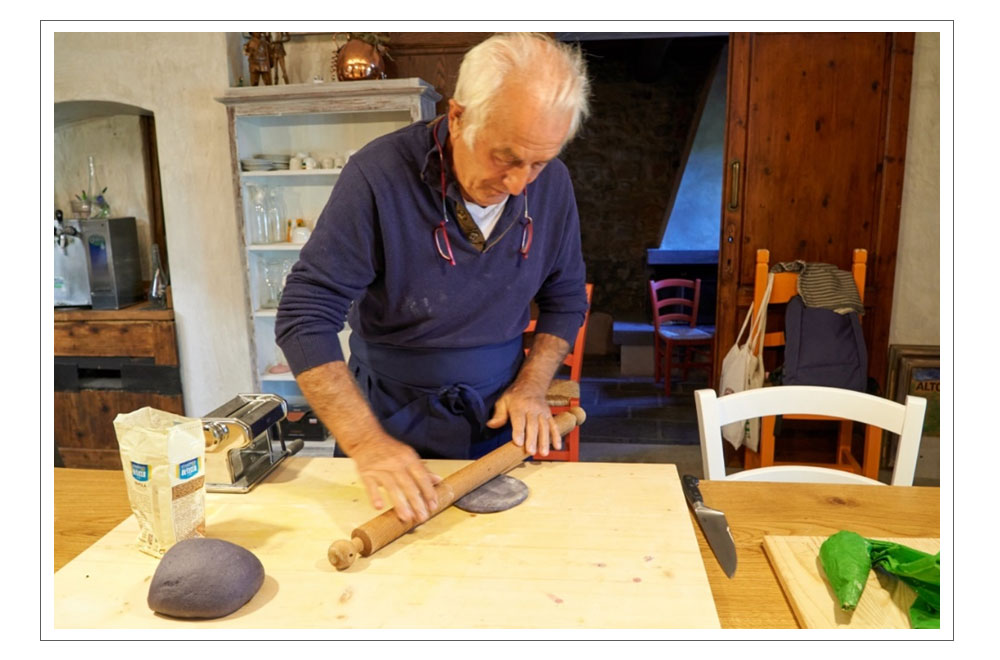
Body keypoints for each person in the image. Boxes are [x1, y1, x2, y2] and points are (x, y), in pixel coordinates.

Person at [275, 32, 590, 526]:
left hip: (495, 420)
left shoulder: (551, 185)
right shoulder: (377, 176)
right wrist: (366, 443)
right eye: (504, 157)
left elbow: (566, 300)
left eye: (538, 162)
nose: (517, 184)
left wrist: (531, 384)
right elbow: (303, 318)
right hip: (388, 420)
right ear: (458, 115)